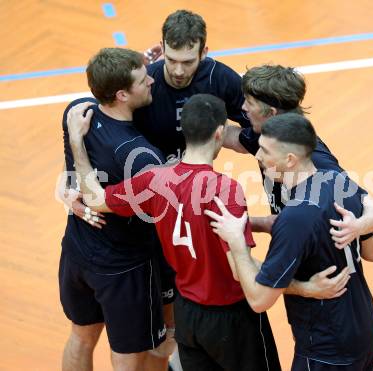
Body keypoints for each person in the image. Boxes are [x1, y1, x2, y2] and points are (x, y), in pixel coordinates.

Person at [66, 94, 282, 371]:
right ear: (219, 133)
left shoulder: (155, 179)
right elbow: (241, 270)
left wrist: (77, 143)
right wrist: (302, 285)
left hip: (187, 315)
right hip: (232, 317)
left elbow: (95, 198)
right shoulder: (224, 189)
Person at [205, 113, 373, 371]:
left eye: (265, 151)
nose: (258, 157)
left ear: (289, 159)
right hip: (362, 329)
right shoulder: (338, 181)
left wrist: (236, 243)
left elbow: (259, 299)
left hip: (325, 348)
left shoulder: (295, 218)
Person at [58, 47, 175, 371]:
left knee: (80, 338)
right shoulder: (140, 155)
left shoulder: (77, 113)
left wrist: (77, 144)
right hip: (125, 268)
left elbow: (78, 180)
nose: (151, 80)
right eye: (143, 78)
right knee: (128, 357)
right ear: (122, 94)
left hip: (78, 252)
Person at [224, 64, 373, 243]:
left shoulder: (316, 160)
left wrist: (359, 228)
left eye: (249, 102)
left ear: (271, 113)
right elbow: (229, 137)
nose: (243, 107)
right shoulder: (266, 137)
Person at [133, 9, 250, 162]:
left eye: (188, 62)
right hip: (150, 176)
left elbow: (258, 129)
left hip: (198, 177)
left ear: (203, 53)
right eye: (172, 60)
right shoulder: (146, 82)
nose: (178, 71)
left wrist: (220, 134)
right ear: (162, 48)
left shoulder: (220, 78)